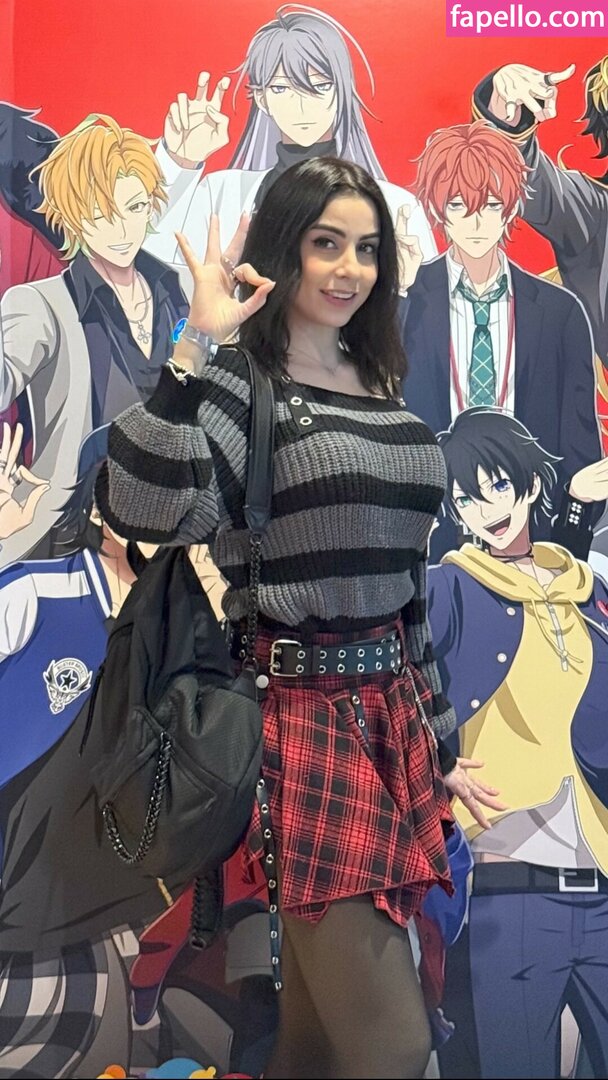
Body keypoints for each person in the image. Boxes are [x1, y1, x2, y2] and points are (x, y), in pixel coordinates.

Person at [96, 154, 505, 1080]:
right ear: (284, 249)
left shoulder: (383, 386)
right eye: (327, 244)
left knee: (314, 1046)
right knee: (393, 1044)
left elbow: (406, 592)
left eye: (367, 248)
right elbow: (139, 507)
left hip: (390, 723)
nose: (349, 268)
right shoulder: (242, 386)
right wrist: (193, 347)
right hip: (298, 723)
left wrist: (439, 744)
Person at [427, 407, 608, 1080]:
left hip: (602, 882)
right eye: (466, 499)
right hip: (510, 890)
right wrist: (440, 759)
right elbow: (394, 681)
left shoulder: (588, 592)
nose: (486, 509)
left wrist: (581, 512)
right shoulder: (448, 589)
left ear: (530, 484)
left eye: (497, 485)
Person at [398, 121, 601, 559]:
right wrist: (397, 296)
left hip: (536, 538)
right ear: (437, 209)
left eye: (491, 205)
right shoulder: (406, 299)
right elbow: (375, 401)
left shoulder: (560, 313)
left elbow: (580, 453)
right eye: (458, 204)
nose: (476, 222)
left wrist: (568, 532)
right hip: (426, 537)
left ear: (510, 208)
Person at [0, 114, 189, 567]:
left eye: (135, 208)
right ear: (71, 217)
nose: (122, 231)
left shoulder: (178, 288)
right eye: (101, 215)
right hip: (73, 535)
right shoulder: (40, 305)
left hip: (177, 530)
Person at [146, 5, 436, 269]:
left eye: (320, 86)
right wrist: (179, 162)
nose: (301, 106)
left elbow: (430, 301)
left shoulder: (399, 208)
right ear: (261, 98)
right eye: (281, 89)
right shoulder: (221, 193)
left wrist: (402, 287)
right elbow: (150, 265)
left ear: (342, 92)